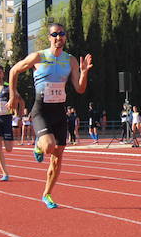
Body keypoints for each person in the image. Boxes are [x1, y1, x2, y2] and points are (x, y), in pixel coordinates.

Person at [8, 23, 93, 209]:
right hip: (41, 110)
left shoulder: (70, 60)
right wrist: (13, 95)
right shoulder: (38, 56)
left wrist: (84, 73)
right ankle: (39, 145)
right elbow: (14, 70)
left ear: (65, 37)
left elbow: (80, 88)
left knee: (57, 156)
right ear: (49, 37)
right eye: (54, 34)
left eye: (61, 34)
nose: (58, 37)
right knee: (48, 145)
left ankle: (47, 194)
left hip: (59, 111)